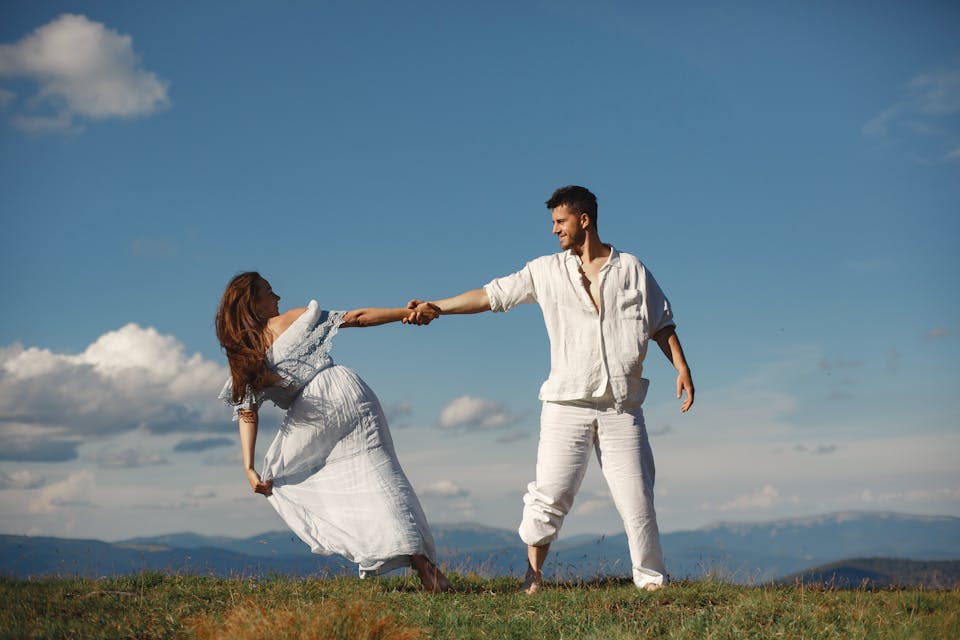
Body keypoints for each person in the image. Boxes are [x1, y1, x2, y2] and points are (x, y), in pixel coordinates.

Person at [406, 185, 694, 592]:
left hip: (621, 407)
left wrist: (681, 368)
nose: (555, 230)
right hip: (565, 403)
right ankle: (533, 576)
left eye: (560, 222)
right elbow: (491, 295)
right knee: (550, 494)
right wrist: (439, 306)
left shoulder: (631, 268)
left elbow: (661, 322)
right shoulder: (545, 271)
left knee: (638, 499)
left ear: (584, 220)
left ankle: (651, 582)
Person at [215, 271, 452, 592]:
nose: (278, 298)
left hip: (310, 415)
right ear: (254, 305)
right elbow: (357, 318)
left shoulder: (245, 355)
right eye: (270, 293)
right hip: (345, 392)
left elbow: (247, 412)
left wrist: (249, 467)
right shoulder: (296, 319)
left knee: (295, 476)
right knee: (381, 473)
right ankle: (426, 569)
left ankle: (411, 560)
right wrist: (406, 313)